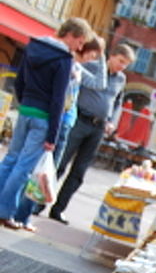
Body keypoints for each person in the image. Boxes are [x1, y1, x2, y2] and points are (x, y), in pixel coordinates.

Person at [0, 16, 91, 229]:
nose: (79, 47)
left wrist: (24, 101)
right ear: (71, 36)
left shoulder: (34, 46)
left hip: (26, 109)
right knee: (24, 166)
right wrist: (52, 135)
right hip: (43, 116)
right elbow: (59, 98)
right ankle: (5, 212)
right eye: (79, 42)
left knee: (10, 159)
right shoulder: (63, 59)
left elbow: (20, 80)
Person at [19, 35, 105, 227]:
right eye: (93, 53)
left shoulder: (76, 66)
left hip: (65, 121)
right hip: (61, 121)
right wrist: (53, 132)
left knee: (43, 170)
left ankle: (25, 213)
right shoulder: (70, 64)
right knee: (41, 171)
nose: (95, 58)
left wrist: (103, 57)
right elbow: (60, 98)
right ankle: (24, 213)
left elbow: (99, 83)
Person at [48, 42, 135, 224]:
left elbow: (117, 101)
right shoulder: (91, 67)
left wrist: (112, 120)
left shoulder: (121, 79)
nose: (122, 66)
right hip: (80, 119)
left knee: (79, 171)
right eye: (120, 61)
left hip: (98, 127)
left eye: (126, 64)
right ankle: (39, 203)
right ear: (111, 56)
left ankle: (59, 209)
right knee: (60, 163)